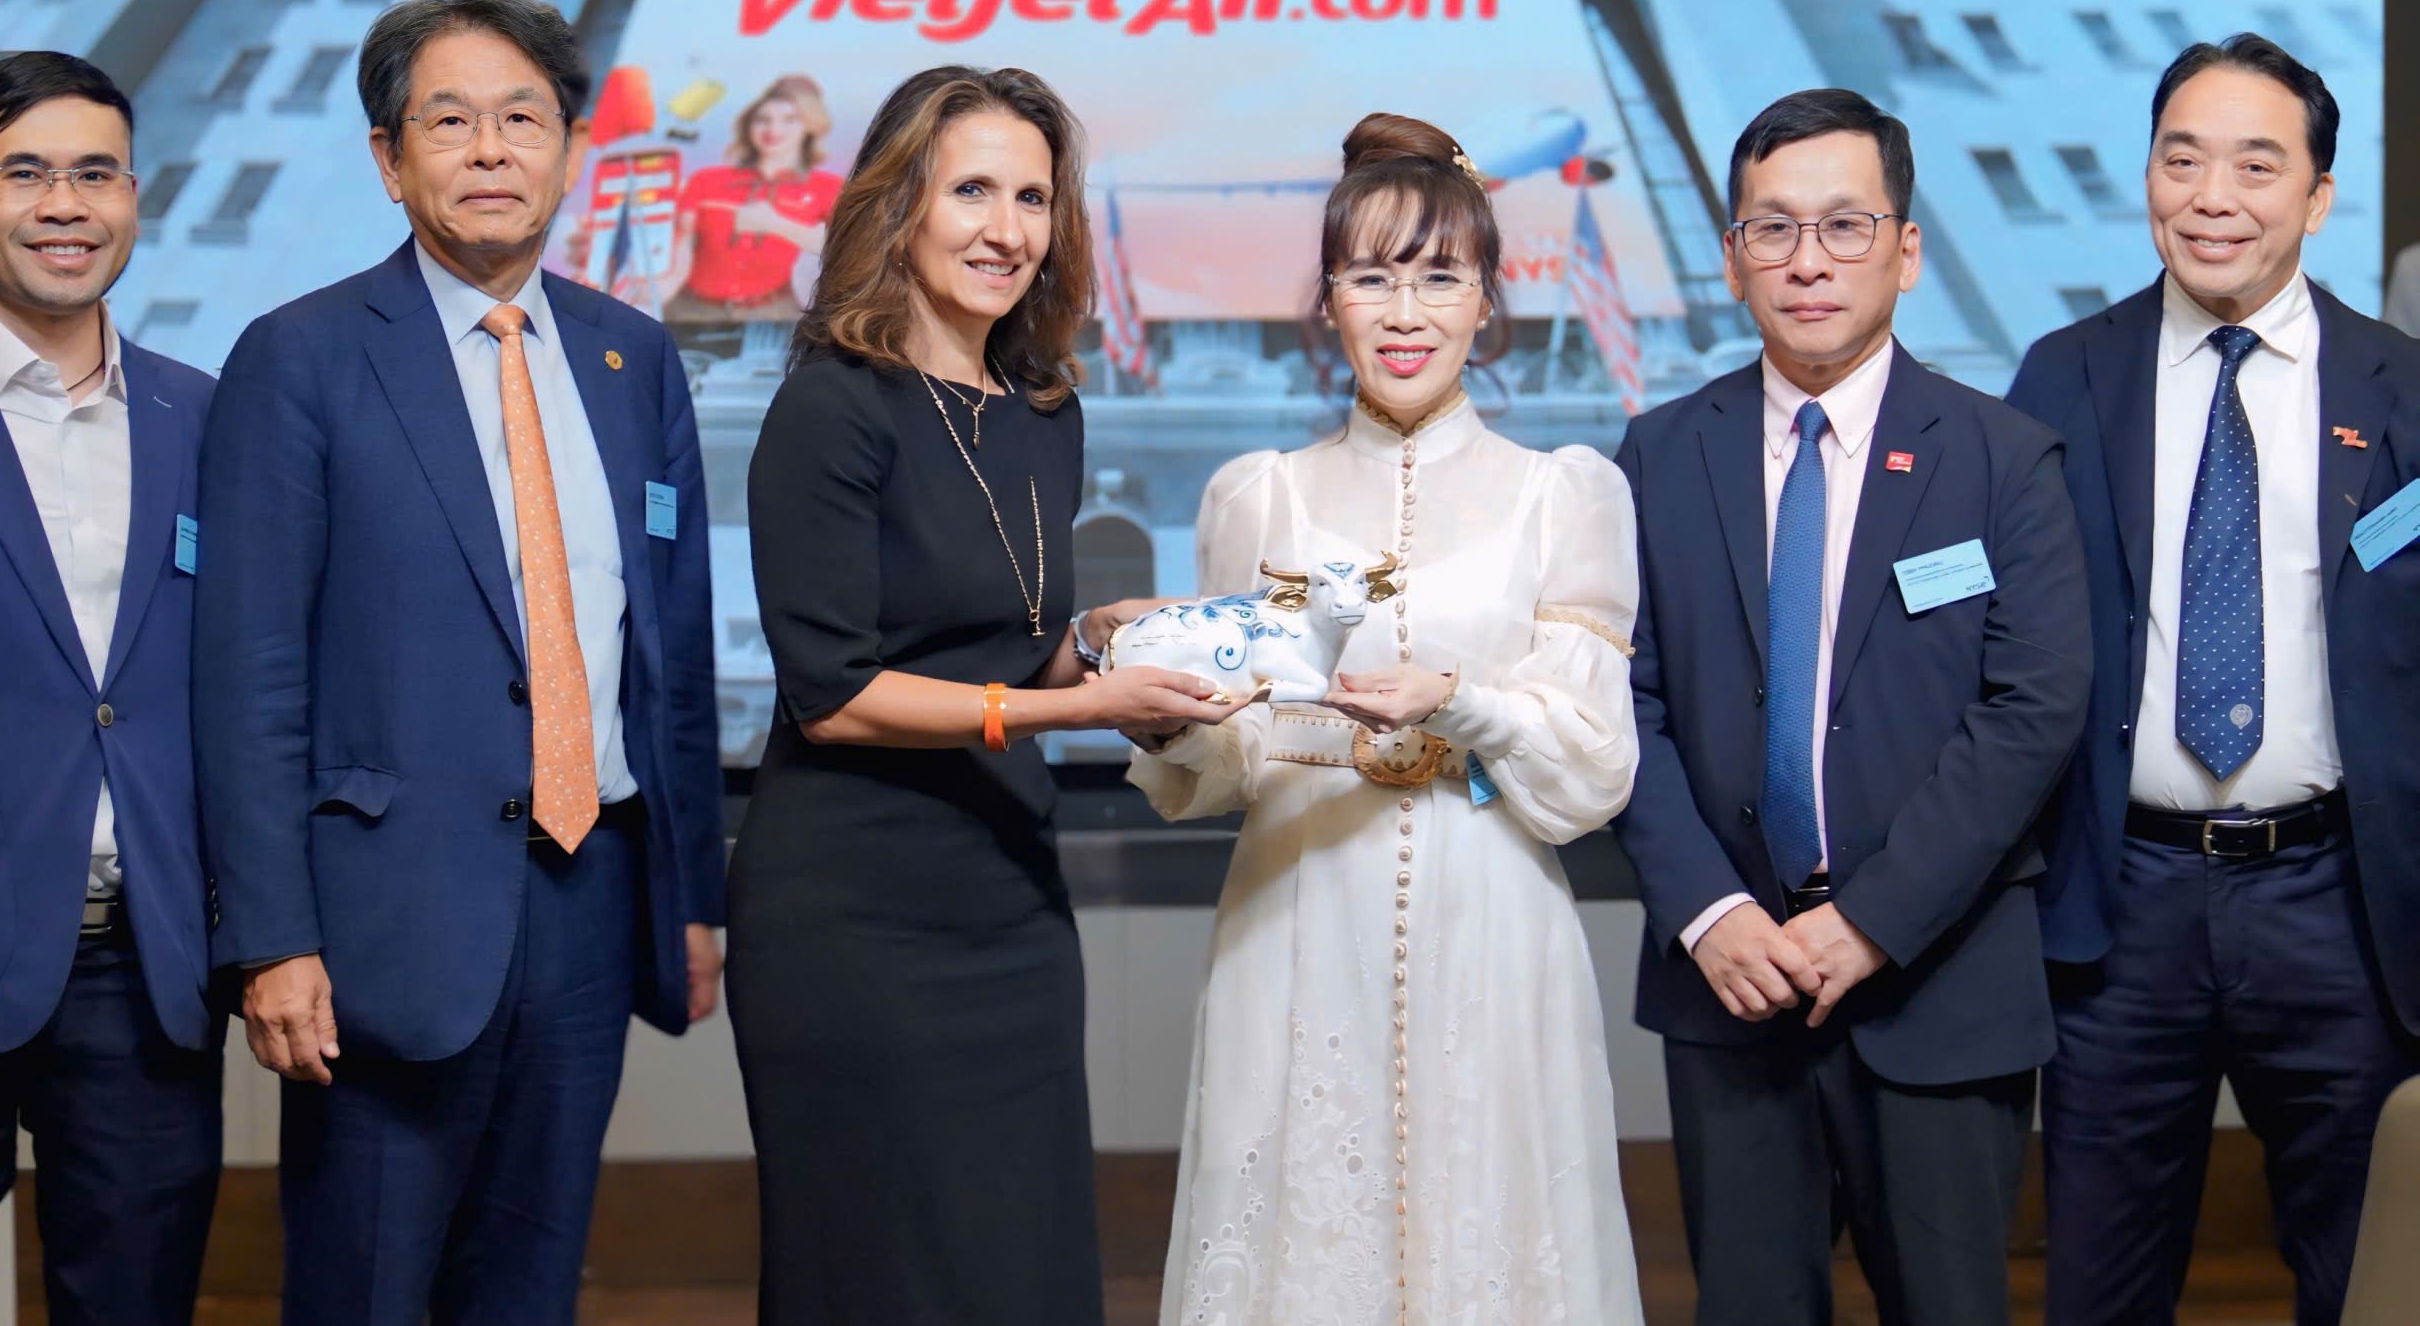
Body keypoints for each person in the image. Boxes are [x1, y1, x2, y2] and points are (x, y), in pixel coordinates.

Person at [192, 0, 726, 1325]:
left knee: (529, 1287)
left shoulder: (632, 357)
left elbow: (669, 655)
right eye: (450, 121)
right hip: (383, 924)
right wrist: (270, 937)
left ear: (571, 148)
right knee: (364, 1290)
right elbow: (249, 678)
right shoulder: (301, 357)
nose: (491, 150)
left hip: (590, 899)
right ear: (389, 159)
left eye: (522, 119)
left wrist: (690, 895)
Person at [732, 64, 1234, 1326]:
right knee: (879, 1279)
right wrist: (1068, 710)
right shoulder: (829, 404)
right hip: (852, 915)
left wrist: (1103, 648)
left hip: (1008, 899)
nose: (1004, 229)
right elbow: (834, 693)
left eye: (1032, 197)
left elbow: (1011, 651)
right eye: (970, 191)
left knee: (1020, 1266)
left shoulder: (1045, 411)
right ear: (898, 202)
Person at [1135, 113, 1645, 1324]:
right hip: (1297, 915)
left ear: (1487, 299)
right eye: (1370, 278)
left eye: (1439, 278)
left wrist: (1462, 704)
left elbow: (1591, 769)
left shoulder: (1562, 496)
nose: (1404, 312)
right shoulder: (1259, 496)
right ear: (1327, 301)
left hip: (1494, 922)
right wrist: (1162, 716)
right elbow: (1233, 763)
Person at [1613, 88, 2091, 1326]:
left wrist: (1872, 919)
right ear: (1731, 259)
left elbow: (2033, 708)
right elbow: (1620, 701)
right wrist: (1711, 911)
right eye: (1772, 229)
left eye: (1843, 225)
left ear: (1906, 250)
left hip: (1938, 982)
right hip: (1731, 985)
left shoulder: (2002, 458)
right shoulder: (1657, 455)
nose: (1807, 261)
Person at [2006, 34, 2420, 1326]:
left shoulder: (2404, 388)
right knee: (2101, 1283)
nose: (2212, 198)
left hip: (2339, 903)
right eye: (2181, 160)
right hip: (2122, 902)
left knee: (2367, 1278)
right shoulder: (2063, 374)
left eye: (2256, 164)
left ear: (2318, 196)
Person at [0, 52, 223, 1324]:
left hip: (147, 979)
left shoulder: (205, 417)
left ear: (134, 198)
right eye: (24, 172)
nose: (64, 203)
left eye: (94, 173)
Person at [664, 74, 841, 318]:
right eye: (762, 120)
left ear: (810, 126)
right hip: (692, 310)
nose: (773, 130)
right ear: (748, 126)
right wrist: (658, 292)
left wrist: (775, 225)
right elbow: (680, 246)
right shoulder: (706, 179)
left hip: (773, 312)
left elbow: (848, 249)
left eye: (790, 120)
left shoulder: (827, 187)